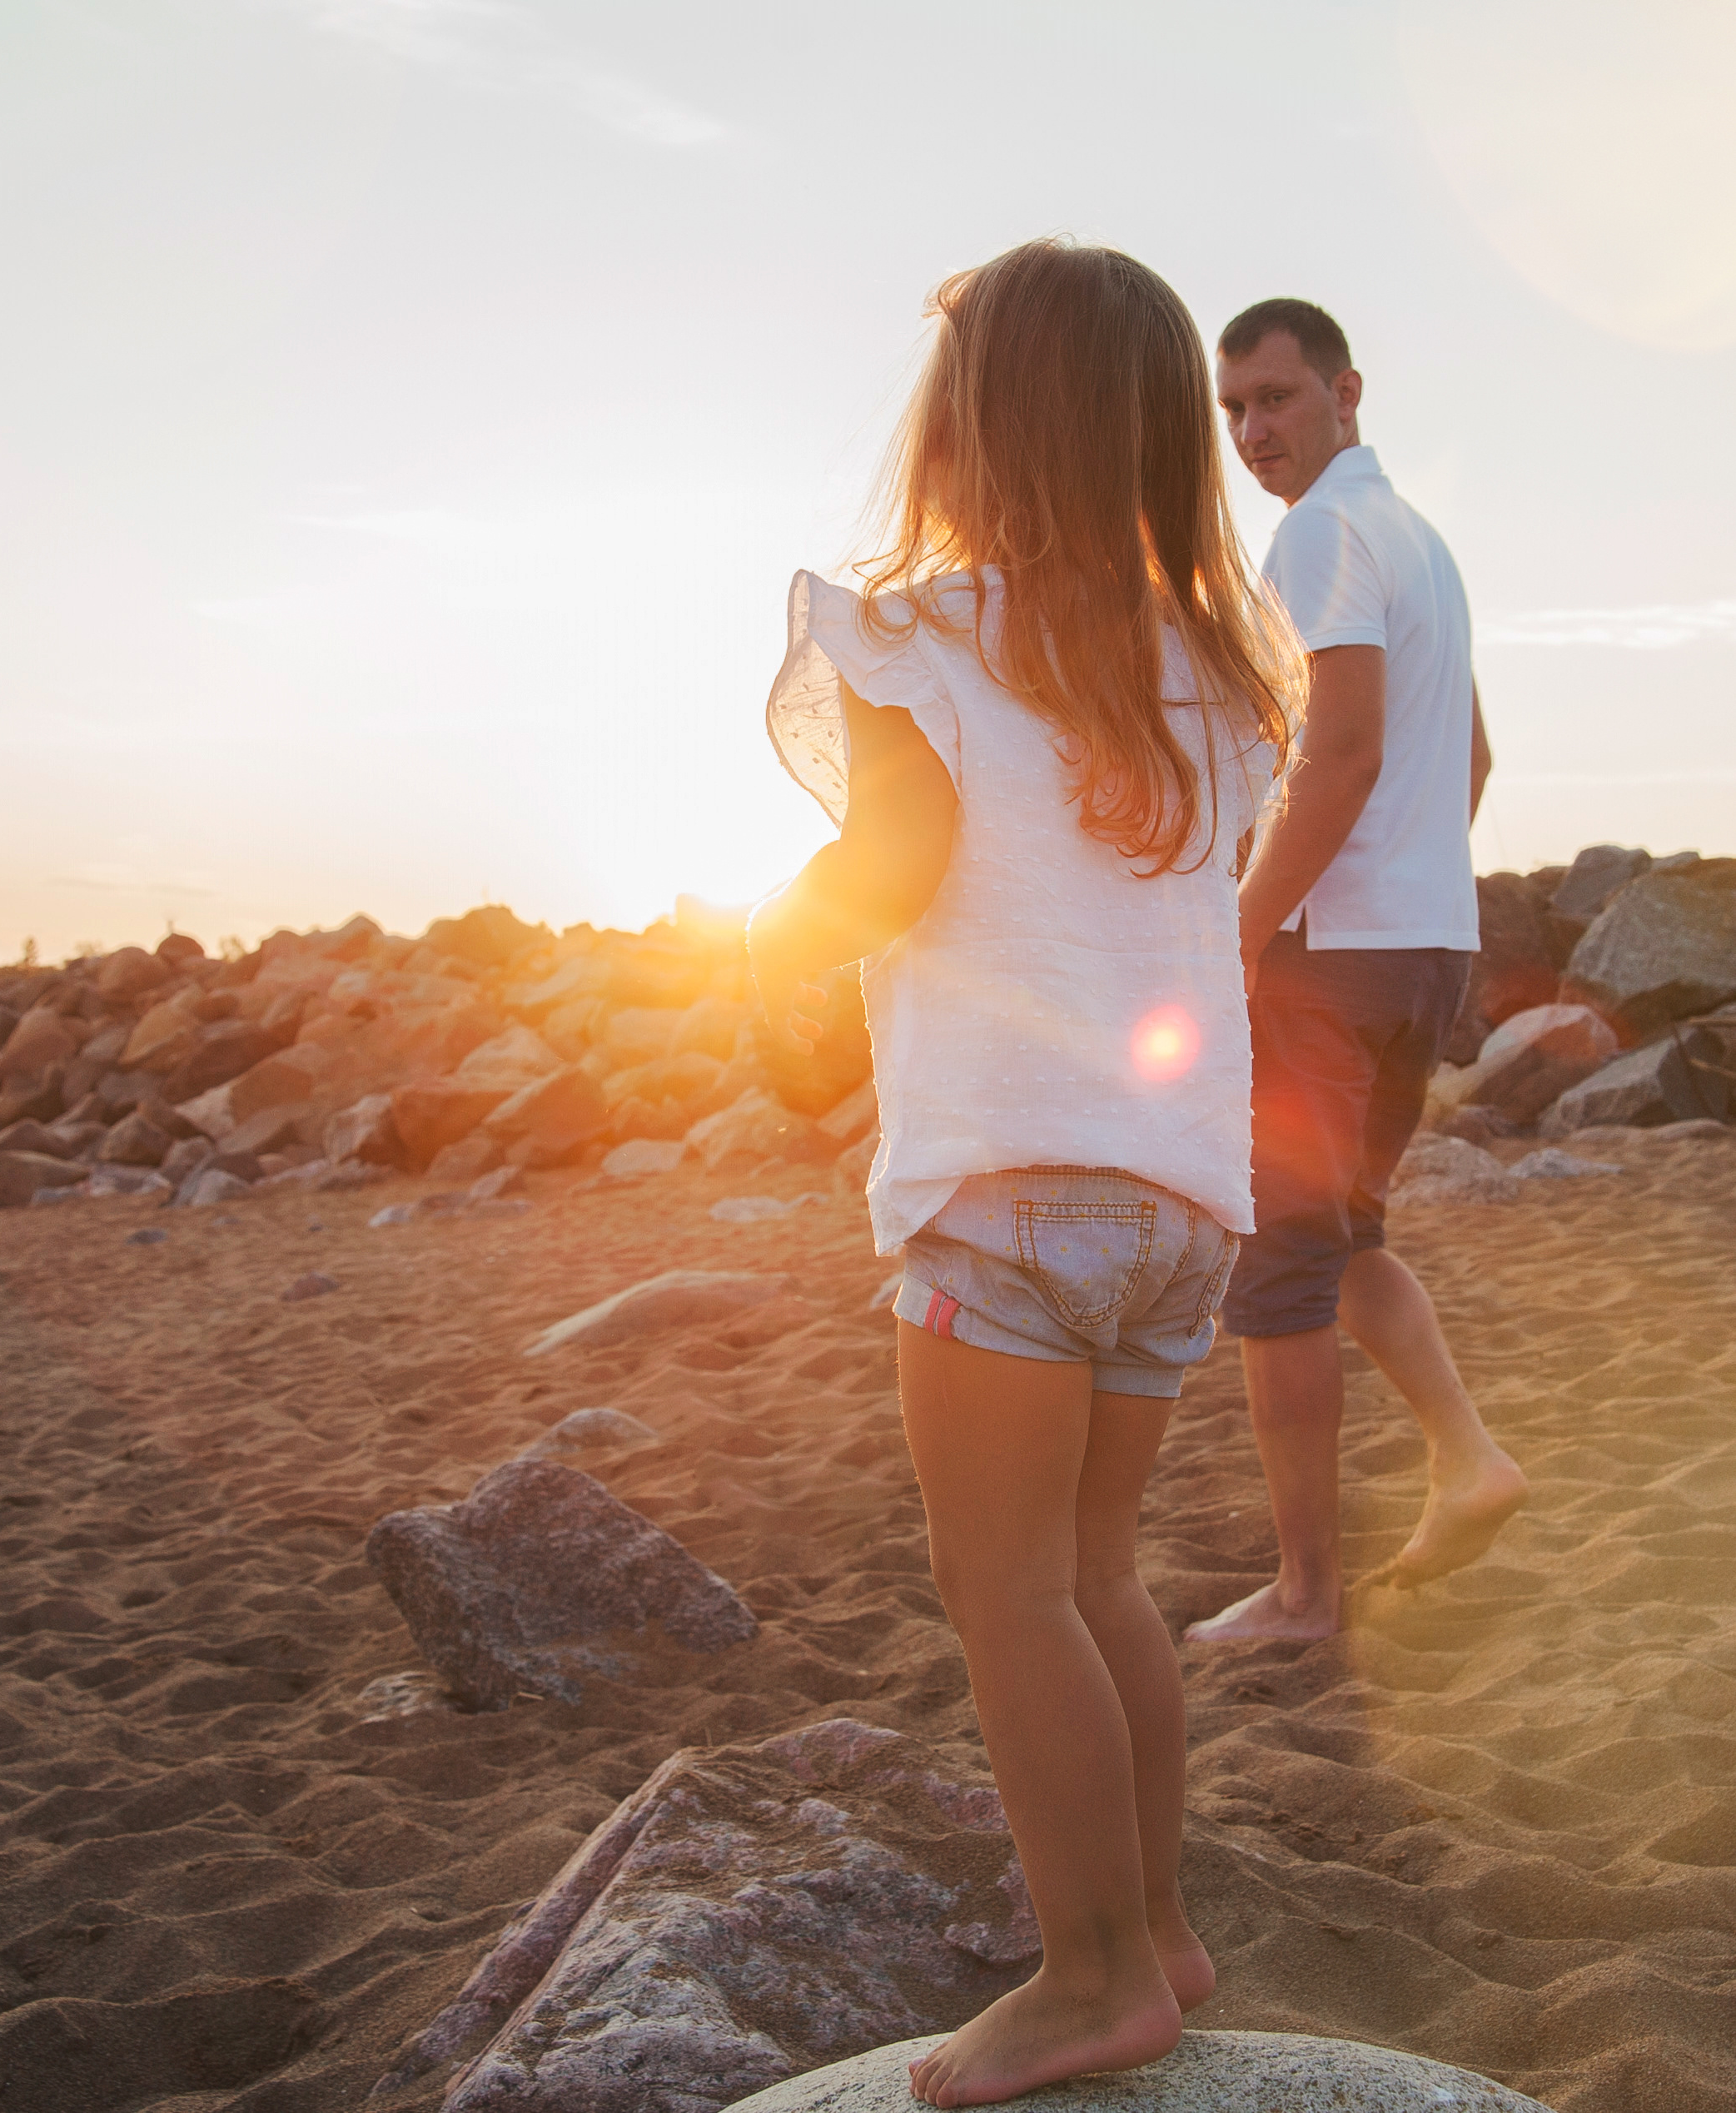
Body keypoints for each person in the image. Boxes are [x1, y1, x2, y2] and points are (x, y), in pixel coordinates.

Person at [747, 240, 1300, 2109]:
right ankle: (1156, 1924)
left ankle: (1086, 1979)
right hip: (1177, 1202)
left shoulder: (924, 636)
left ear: (973, 426)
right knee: (1097, 1574)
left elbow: (887, 871)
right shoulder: (1213, 671)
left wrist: (764, 947)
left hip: (1000, 1188)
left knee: (1002, 1592)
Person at [1186, 299, 1529, 1647]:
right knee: (1346, 1246)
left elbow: (1343, 753)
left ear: (1346, 393)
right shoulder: (1420, 540)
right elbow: (1476, 762)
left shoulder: (1320, 531)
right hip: (1427, 946)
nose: (1254, 433)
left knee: (1277, 1276)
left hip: (1334, 963)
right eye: (1234, 412)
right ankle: (1471, 1458)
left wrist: (1237, 931)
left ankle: (1304, 1595)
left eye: (1275, 399)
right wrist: (1412, 893)